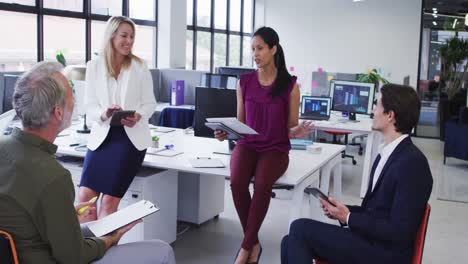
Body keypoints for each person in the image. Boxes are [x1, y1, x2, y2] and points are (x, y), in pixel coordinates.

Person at [0, 61, 175, 263]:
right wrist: (109, 239)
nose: (74, 101)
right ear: (58, 112)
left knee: (93, 229)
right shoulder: (54, 177)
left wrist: (66, 214)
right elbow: (74, 256)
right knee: (162, 250)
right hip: (50, 257)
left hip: (20, 251)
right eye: (71, 94)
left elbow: (20, 214)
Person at [281, 84, 433, 264]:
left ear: (390, 115)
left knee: (299, 229)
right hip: (371, 241)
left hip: (385, 253)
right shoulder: (387, 154)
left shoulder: (413, 164)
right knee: (288, 241)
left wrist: (349, 217)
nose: (372, 110)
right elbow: (375, 211)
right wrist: (342, 211)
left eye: (377, 105)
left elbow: (399, 231)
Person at [215, 26, 313, 264]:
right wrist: (226, 133)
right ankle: (254, 243)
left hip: (275, 149)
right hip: (248, 145)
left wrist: (297, 132)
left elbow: (291, 125)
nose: (255, 54)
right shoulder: (244, 82)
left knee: (261, 184)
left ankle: (245, 248)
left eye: (260, 48)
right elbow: (241, 123)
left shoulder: (290, 86)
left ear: (273, 49)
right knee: (237, 182)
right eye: (252, 49)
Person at [78, 16, 157, 219]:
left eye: (132, 36)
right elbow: (89, 105)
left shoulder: (140, 66)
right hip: (102, 137)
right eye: (124, 35)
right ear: (111, 36)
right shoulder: (94, 66)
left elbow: (150, 103)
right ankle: (86, 250)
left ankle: (106, 250)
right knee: (85, 200)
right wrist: (103, 113)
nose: (129, 41)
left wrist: (139, 115)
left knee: (108, 201)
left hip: (129, 139)